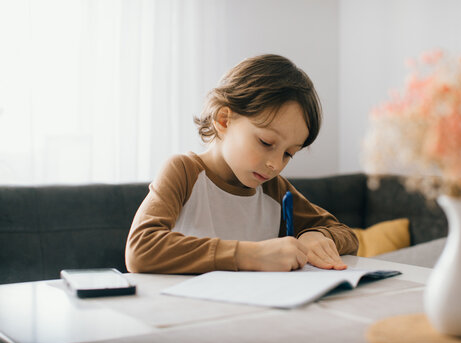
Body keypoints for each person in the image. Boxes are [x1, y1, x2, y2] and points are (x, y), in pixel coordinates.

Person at [125, 54, 358, 274]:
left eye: (288, 154)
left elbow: (346, 234)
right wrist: (250, 255)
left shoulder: (274, 189)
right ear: (224, 120)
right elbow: (140, 249)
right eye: (266, 142)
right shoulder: (183, 173)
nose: (275, 165)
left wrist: (316, 235)